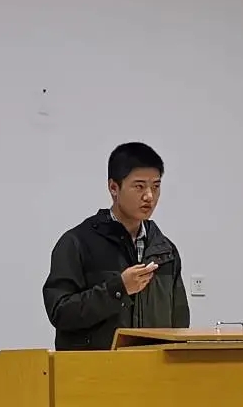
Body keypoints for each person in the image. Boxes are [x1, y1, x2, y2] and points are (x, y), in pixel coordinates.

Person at [42, 142, 190, 351]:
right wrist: (118, 289)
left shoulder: (165, 251)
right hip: (95, 368)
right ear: (113, 188)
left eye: (156, 186)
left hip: (153, 368)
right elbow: (60, 312)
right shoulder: (77, 243)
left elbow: (180, 324)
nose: (149, 196)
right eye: (139, 186)